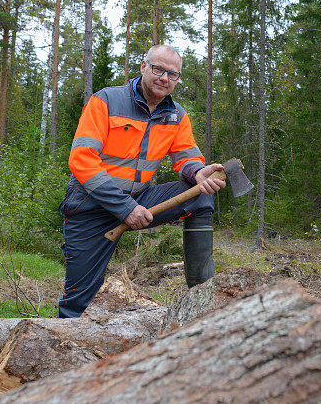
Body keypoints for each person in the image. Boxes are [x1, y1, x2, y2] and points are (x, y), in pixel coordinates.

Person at [58, 44, 225, 318]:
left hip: (139, 200)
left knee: (201, 192)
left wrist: (198, 172)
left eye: (172, 74)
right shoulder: (106, 101)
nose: (164, 78)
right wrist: (125, 208)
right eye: (158, 69)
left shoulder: (176, 115)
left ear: (178, 79)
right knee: (78, 302)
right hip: (90, 206)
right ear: (143, 67)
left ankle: (202, 304)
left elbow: (186, 156)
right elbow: (81, 159)